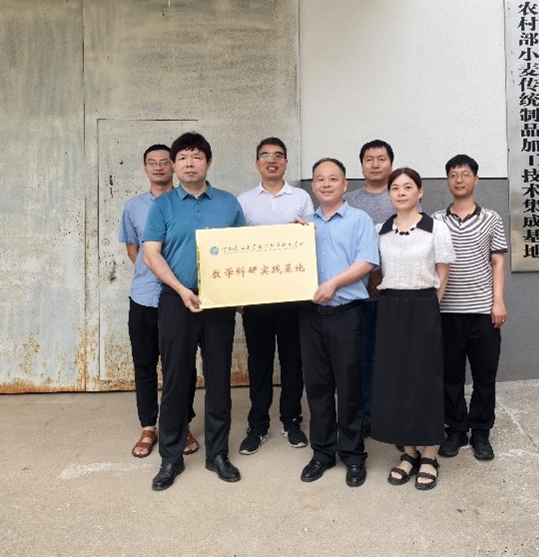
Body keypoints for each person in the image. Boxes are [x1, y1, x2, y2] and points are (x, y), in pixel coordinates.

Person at [143, 132, 246, 491]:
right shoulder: (163, 206)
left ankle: (218, 454)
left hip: (219, 301)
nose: (190, 163)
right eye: (183, 157)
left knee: (219, 379)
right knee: (175, 380)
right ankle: (170, 457)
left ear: (209, 162)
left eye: (196, 157)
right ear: (174, 165)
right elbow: (151, 253)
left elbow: (243, 251)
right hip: (177, 299)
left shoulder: (229, 203)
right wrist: (181, 290)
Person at [370, 168, 455, 490]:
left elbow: (443, 271)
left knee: (425, 379)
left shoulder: (436, 228)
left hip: (423, 305)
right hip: (390, 307)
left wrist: (431, 306)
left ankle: (430, 454)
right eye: (395, 188)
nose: (401, 192)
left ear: (420, 192)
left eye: (408, 187)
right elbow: (374, 271)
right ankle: (408, 452)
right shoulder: (380, 230)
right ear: (389, 194)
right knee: (395, 380)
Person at [298, 158, 379, 487]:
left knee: (349, 387)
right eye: (320, 179)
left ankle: (353, 453)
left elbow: (367, 261)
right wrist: (291, 240)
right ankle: (322, 452)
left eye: (333, 179)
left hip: (347, 313)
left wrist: (333, 283)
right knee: (317, 387)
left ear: (345, 185)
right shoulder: (303, 225)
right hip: (310, 316)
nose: (326, 184)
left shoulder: (359, 220)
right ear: (313, 186)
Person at [119, 144, 198, 459]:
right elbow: (133, 249)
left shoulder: (186, 203)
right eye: (152, 162)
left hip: (179, 299)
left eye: (165, 161)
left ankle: (181, 423)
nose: (159, 167)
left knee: (182, 365)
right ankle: (149, 425)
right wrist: (155, 273)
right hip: (143, 297)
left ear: (174, 166)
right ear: (145, 168)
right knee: (145, 363)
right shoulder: (133, 207)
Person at [236, 137, 313, 455]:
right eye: (265, 155)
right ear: (257, 163)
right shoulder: (243, 201)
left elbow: (311, 239)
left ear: (285, 162)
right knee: (260, 362)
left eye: (278, 155)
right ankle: (258, 424)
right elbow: (235, 248)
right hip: (257, 298)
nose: (272, 160)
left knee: (294, 361)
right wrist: (237, 295)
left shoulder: (301, 198)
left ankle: (291, 420)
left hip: (294, 297)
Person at [433, 154, 508, 461]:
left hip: (482, 312)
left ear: (476, 179)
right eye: (453, 175)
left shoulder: (491, 218)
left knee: (484, 376)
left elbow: (497, 261)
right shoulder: (436, 220)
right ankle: (455, 430)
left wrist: (498, 301)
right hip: (446, 312)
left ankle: (480, 431)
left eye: (465, 174)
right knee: (449, 376)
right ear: (447, 181)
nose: (459, 180)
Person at [344, 139, 395, 436]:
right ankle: (365, 415)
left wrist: (381, 276)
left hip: (393, 293)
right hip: (356, 294)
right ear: (361, 165)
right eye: (369, 159)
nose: (375, 164)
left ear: (391, 163)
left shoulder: (400, 194)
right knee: (361, 358)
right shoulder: (349, 199)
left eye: (381, 159)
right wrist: (368, 277)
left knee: (390, 357)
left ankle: (390, 416)